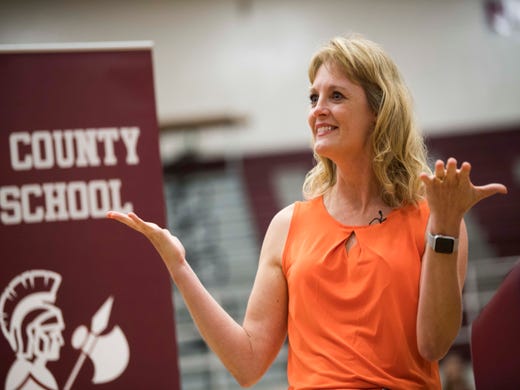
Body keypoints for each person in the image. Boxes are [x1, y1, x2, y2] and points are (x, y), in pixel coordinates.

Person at [107, 35, 507, 389]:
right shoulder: (287, 226)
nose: (318, 109)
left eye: (336, 96)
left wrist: (446, 228)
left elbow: (434, 344)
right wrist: (179, 266)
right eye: (313, 97)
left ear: (378, 112)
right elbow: (247, 364)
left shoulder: (433, 217)